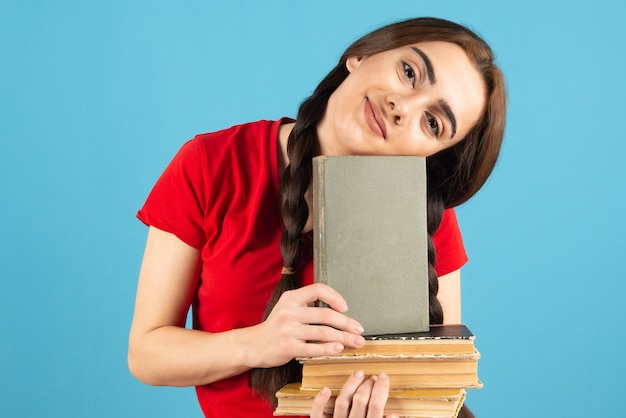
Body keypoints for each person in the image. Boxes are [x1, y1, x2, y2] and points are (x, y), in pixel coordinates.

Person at [128, 16, 506, 418]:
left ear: (430, 156)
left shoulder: (427, 219)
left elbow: (438, 394)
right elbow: (147, 353)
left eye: (432, 122)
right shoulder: (211, 163)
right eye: (409, 72)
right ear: (361, 55)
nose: (403, 107)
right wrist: (259, 343)